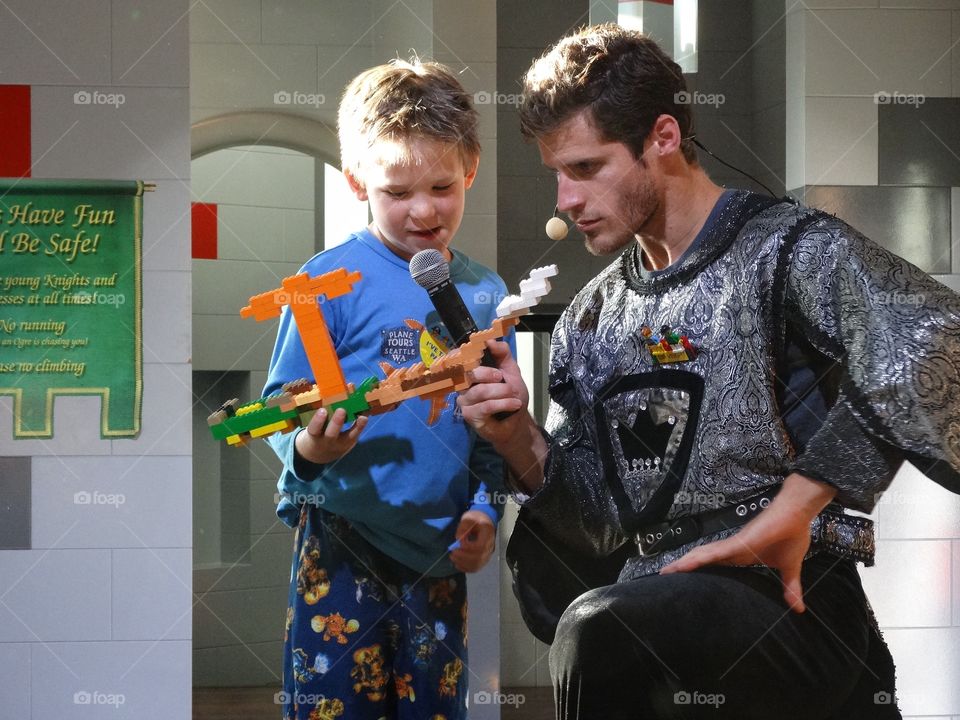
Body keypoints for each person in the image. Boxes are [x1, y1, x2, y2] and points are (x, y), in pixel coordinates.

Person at [458, 24, 960, 720]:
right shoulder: (591, 318)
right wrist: (518, 439)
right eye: (556, 174)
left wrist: (800, 501)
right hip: (656, 613)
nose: (564, 200)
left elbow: (941, 339)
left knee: (598, 627)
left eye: (585, 168)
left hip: (792, 604)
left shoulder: (788, 251)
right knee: (601, 622)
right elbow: (596, 524)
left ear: (662, 137)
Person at [264, 59, 513, 720]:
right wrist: (311, 453)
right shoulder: (322, 284)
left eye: (442, 185)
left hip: (439, 558)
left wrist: (488, 509)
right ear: (357, 184)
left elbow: (497, 428)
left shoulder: (486, 294)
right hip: (342, 542)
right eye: (398, 192)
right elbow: (277, 413)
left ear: (471, 171)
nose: (425, 211)